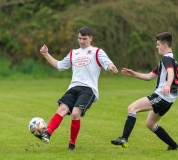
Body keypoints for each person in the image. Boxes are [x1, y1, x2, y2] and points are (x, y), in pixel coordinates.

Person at [37, 26, 118, 150]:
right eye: (79, 38)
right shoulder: (73, 53)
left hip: (88, 89)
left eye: (84, 39)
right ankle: (47, 134)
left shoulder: (97, 52)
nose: (81, 41)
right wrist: (46, 54)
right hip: (74, 87)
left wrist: (111, 67)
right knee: (62, 109)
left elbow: (108, 63)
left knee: (75, 113)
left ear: (90, 38)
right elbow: (59, 66)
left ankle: (72, 143)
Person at [111, 32, 178, 150]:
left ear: (165, 46)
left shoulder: (166, 59)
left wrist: (167, 85)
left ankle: (124, 138)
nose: (156, 46)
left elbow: (171, 72)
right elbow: (149, 76)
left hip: (162, 96)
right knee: (150, 124)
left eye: (158, 44)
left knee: (132, 108)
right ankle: (173, 146)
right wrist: (133, 73)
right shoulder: (170, 60)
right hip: (169, 99)